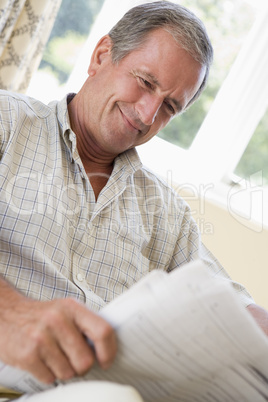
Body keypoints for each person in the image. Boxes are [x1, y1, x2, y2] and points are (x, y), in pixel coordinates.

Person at [0, 1, 267, 401]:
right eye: (145, 82)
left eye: (170, 107)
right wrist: (11, 314)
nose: (147, 114)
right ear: (101, 55)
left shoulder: (166, 212)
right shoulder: (7, 122)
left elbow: (228, 301)